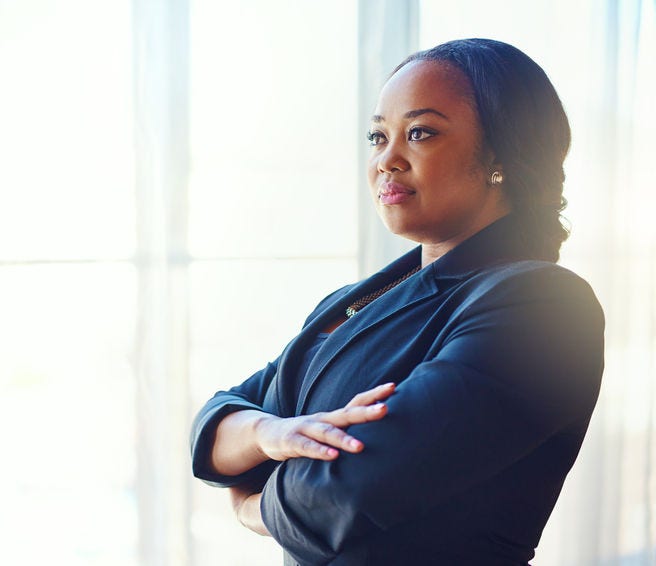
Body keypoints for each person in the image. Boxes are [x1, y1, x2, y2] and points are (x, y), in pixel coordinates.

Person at [190, 38, 604, 565]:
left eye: (420, 133)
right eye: (377, 136)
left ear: (502, 153)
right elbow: (215, 426)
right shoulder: (349, 303)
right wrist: (271, 432)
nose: (387, 159)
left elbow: (345, 492)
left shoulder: (543, 306)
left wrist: (251, 504)